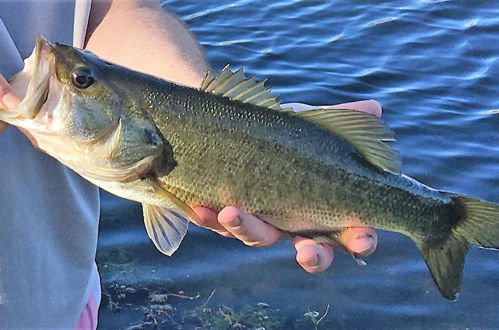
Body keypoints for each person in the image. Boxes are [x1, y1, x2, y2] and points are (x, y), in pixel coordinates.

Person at [0, 0, 378, 328]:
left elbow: (113, 10)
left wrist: (216, 120)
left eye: (80, 80)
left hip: (63, 299)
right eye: (80, 81)